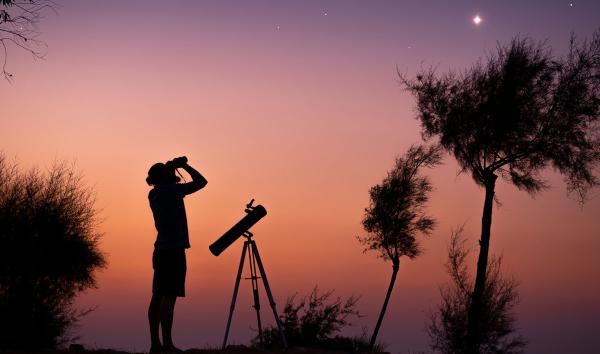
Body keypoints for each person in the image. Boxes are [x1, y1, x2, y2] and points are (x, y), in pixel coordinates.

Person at [146, 156, 207, 353]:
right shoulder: (172, 191)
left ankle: (156, 344)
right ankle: (168, 344)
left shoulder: (154, 194)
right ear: (163, 177)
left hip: (160, 250)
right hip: (174, 252)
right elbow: (201, 182)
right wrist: (183, 165)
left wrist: (170, 169)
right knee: (169, 297)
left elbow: (169, 182)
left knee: (157, 296)